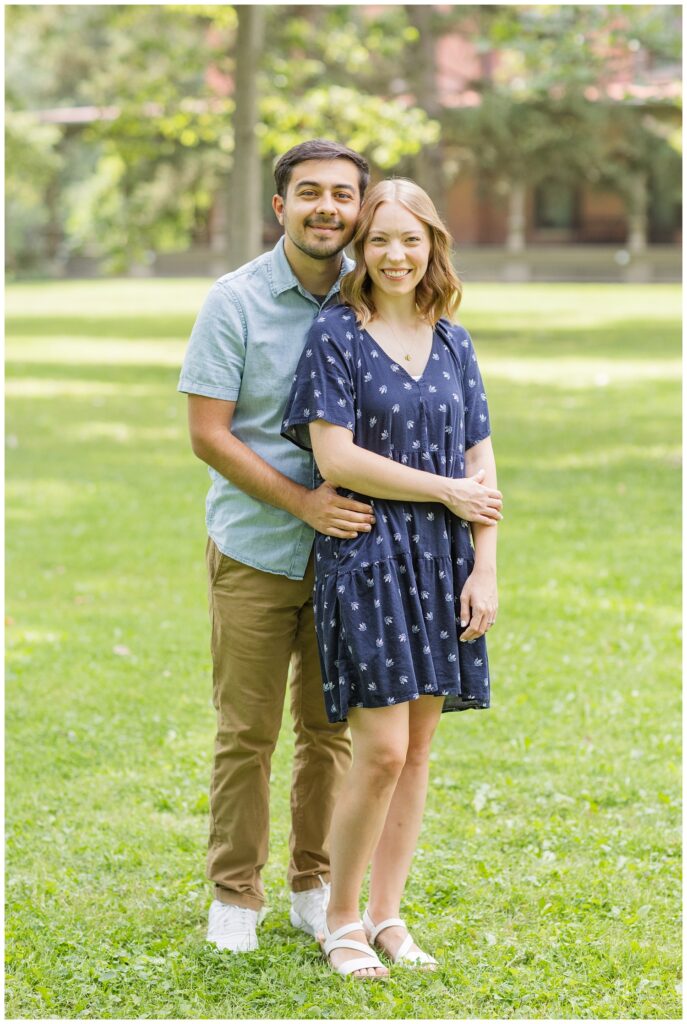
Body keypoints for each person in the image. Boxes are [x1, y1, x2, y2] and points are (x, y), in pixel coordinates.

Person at [281, 178, 501, 978]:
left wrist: (484, 567)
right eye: (379, 240)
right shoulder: (336, 333)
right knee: (379, 750)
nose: (395, 255)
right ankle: (339, 920)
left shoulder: (453, 340)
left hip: (445, 561)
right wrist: (444, 490)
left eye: (411, 239)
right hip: (368, 555)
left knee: (417, 753)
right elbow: (335, 458)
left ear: (432, 245)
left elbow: (480, 463)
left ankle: (386, 916)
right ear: (360, 249)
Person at [178, 139, 376, 952]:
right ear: (280, 206)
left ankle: (313, 883)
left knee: (328, 732)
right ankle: (234, 893)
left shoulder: (374, 296)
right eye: (309, 192)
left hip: (350, 558)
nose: (326, 207)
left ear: (358, 208)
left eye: (342, 194)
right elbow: (208, 434)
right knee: (246, 733)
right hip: (256, 548)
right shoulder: (234, 301)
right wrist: (302, 503)